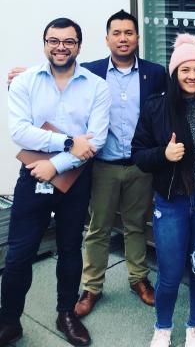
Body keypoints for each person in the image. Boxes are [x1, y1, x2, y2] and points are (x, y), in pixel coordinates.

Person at [7, 10, 168, 316]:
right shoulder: (93, 72)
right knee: (98, 228)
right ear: (106, 39)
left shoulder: (155, 73)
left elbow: (171, 106)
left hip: (139, 164)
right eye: (116, 33)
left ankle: (139, 279)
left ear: (137, 37)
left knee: (136, 225)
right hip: (100, 164)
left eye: (129, 33)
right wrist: (24, 76)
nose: (123, 38)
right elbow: (59, 78)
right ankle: (92, 287)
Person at [0, 18, 110, 347]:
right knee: (18, 254)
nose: (61, 46)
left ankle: (66, 314)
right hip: (33, 176)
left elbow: (95, 141)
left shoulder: (95, 86)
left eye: (69, 41)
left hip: (75, 180)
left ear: (79, 45)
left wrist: (55, 164)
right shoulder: (25, 82)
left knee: (69, 249)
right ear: (44, 43)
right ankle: (9, 321)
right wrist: (65, 144)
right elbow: (18, 131)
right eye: (54, 40)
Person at [132, 33, 195, 347]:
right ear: (175, 73)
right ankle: (163, 327)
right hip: (171, 201)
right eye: (185, 70)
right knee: (170, 271)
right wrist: (163, 155)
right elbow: (138, 154)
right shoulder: (156, 107)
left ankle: (194, 326)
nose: (192, 76)